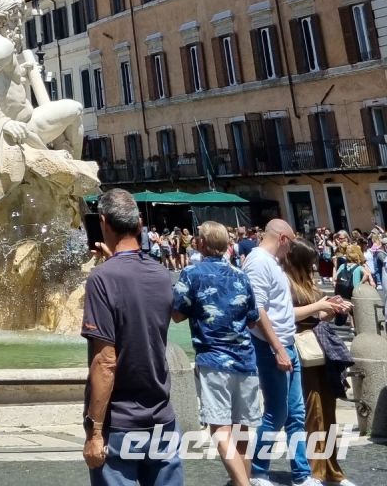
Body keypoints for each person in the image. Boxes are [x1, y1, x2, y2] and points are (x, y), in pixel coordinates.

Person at [81, 189, 181, 486]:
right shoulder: (162, 274)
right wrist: (115, 262)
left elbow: (105, 361)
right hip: (162, 418)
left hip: (120, 423)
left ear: (103, 223)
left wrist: (95, 432)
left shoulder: (102, 279)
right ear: (139, 225)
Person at [244, 218, 344, 486]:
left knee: (296, 414)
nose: (289, 253)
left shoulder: (272, 263)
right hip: (270, 346)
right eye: (290, 245)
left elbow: (282, 309)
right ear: (283, 239)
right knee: (276, 413)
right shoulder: (257, 262)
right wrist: (278, 348)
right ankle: (258, 470)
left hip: (286, 343)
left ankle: (302, 475)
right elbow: (258, 310)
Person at [171, 222, 264, 486]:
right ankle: (241, 480)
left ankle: (243, 485)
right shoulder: (241, 275)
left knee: (220, 428)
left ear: (200, 244)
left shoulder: (191, 274)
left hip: (213, 360)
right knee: (242, 428)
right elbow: (253, 319)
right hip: (245, 359)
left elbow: (177, 314)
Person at [282, 241, 349, 486]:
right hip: (301, 349)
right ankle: (314, 469)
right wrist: (319, 305)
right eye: (309, 261)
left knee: (328, 409)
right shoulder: (286, 282)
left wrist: (333, 307)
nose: (313, 266)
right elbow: (287, 314)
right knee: (311, 410)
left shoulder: (308, 282)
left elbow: (317, 315)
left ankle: (332, 469)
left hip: (321, 348)